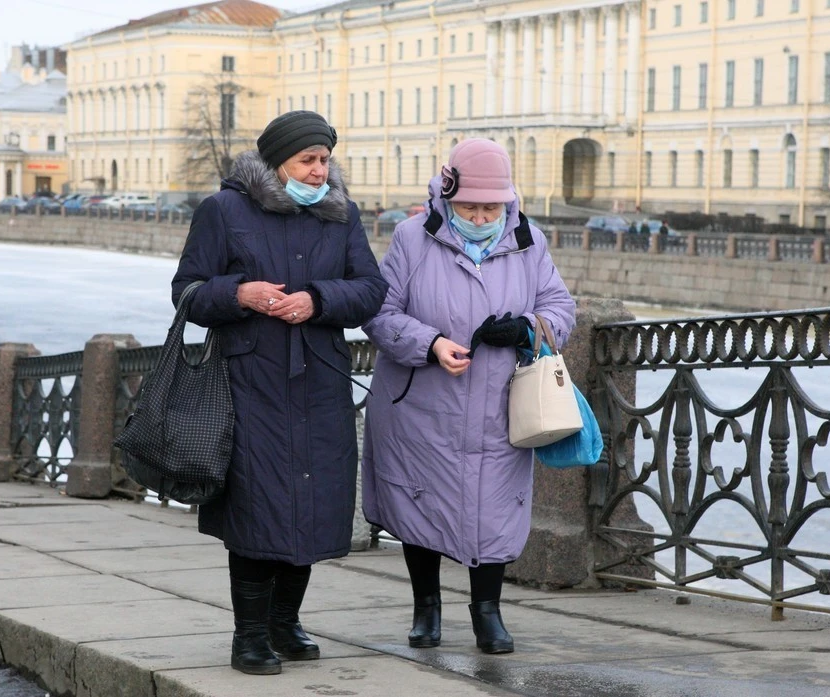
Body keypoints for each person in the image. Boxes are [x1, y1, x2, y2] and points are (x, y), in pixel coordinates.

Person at [171, 111, 388, 676]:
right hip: (248, 386)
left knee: (315, 504)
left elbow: (370, 290)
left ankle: (285, 621)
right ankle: (249, 636)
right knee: (255, 506)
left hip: (320, 382)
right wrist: (239, 293)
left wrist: (318, 300)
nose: (320, 172)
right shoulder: (224, 210)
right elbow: (187, 292)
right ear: (276, 163)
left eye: (325, 160)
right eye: (307, 161)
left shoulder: (341, 215)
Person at [361, 139, 576, 654]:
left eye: (491, 207)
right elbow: (379, 313)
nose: (481, 216)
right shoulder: (414, 238)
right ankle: (426, 608)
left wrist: (528, 327)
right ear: (447, 194)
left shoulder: (529, 241)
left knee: (495, 508)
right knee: (420, 504)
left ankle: (488, 613)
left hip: (499, 407)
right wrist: (429, 343)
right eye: (470, 207)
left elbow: (560, 308)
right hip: (421, 405)